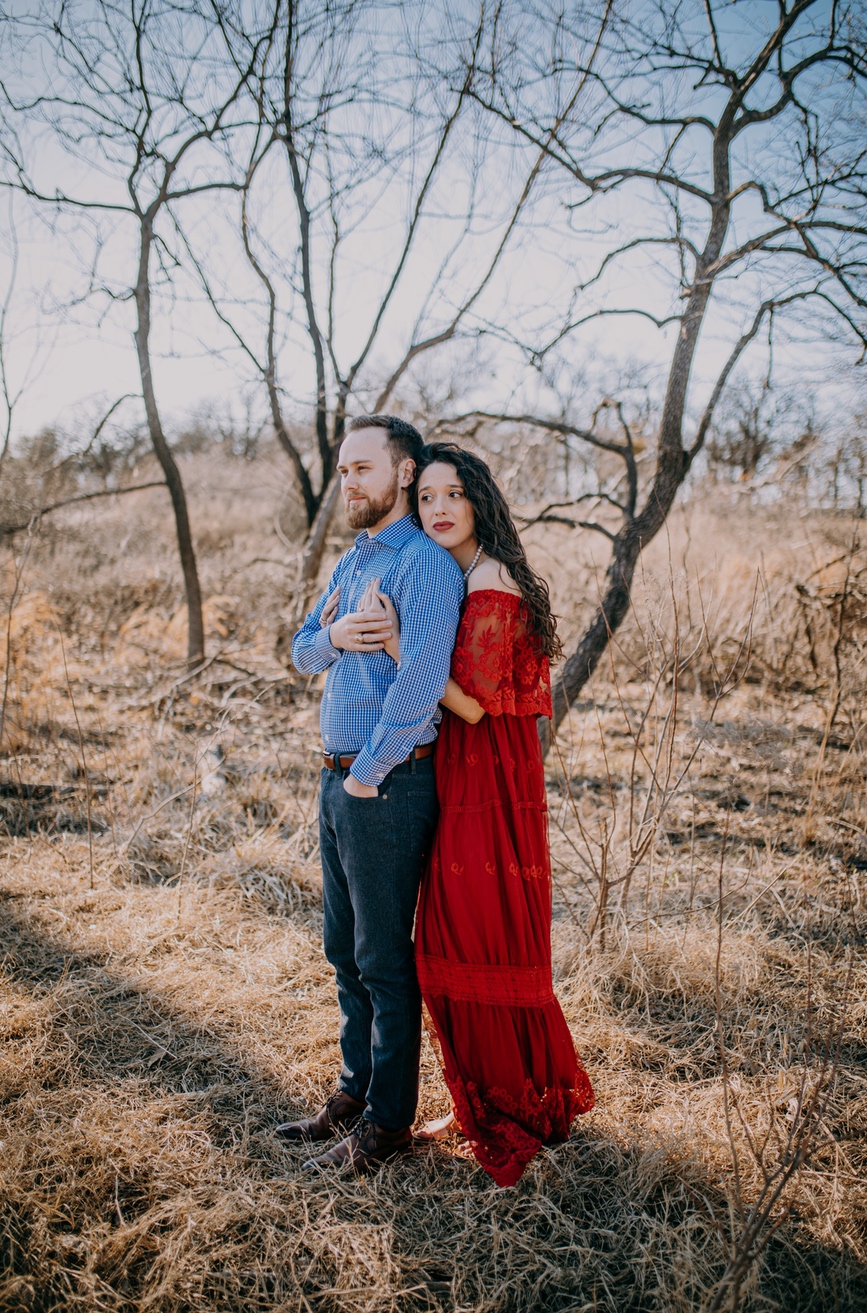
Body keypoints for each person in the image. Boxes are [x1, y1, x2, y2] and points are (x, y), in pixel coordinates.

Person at [366, 442, 595, 1187]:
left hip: (489, 777)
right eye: (425, 496)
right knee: (463, 935)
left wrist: (404, 647)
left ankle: (506, 1104)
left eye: (451, 495)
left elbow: (473, 703)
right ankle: (492, 1097)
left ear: (479, 502)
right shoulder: (468, 571)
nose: (436, 508)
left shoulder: (491, 578)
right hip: (477, 769)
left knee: (467, 935)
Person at [283, 416, 465, 1174]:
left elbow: (421, 685)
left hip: (383, 781)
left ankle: (388, 1123)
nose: (348, 481)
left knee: (384, 960)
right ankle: (354, 1093)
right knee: (342, 951)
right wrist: (338, 639)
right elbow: (300, 649)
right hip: (336, 775)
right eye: (342, 469)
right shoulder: (354, 559)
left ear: (402, 472)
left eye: (362, 467)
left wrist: (368, 773)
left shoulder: (422, 564)